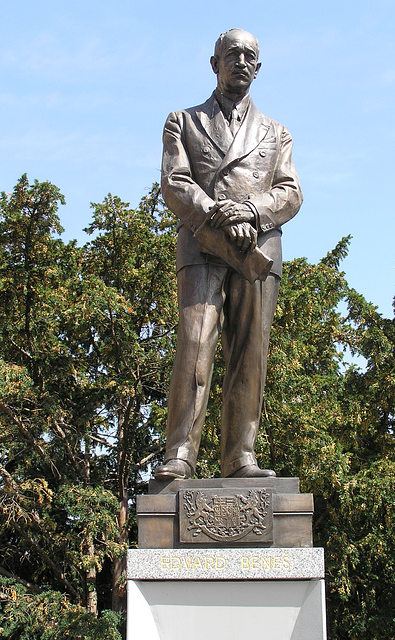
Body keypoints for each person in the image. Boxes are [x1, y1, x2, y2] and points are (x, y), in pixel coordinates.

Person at [154, 28, 303, 480]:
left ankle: (241, 455)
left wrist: (252, 211)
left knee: (250, 351)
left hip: (258, 247)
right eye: (232, 53)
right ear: (214, 63)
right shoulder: (182, 120)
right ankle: (179, 452)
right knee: (195, 343)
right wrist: (218, 212)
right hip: (204, 239)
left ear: (258, 68)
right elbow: (175, 182)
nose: (241, 60)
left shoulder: (276, 133)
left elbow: (291, 192)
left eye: (250, 56)